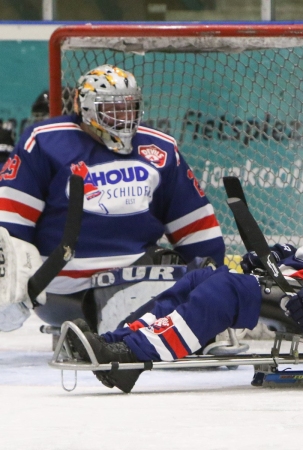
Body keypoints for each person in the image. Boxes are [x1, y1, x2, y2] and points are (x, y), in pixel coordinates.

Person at [66, 101, 303, 393]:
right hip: (302, 288)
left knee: (226, 290)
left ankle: (131, 357)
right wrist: (279, 258)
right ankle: (116, 342)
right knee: (199, 278)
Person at [0, 64, 225, 333]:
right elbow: (9, 225)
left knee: (197, 284)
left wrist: (213, 285)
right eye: (112, 109)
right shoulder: (44, 142)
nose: (124, 117)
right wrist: (12, 288)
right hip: (63, 288)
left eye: (129, 107)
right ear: (85, 108)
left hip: (139, 275)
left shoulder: (159, 147)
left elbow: (195, 225)